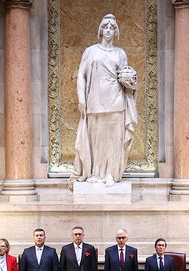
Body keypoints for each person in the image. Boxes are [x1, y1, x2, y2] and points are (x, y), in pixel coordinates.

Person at [72, 13, 137, 187]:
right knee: (96, 139)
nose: (108, 30)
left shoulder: (120, 53)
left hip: (116, 100)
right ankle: (95, 172)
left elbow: (125, 76)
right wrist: (81, 99)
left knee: (113, 139)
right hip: (94, 100)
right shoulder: (91, 51)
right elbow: (81, 75)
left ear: (116, 32)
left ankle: (110, 173)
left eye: (112, 28)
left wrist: (131, 81)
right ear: (101, 30)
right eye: (106, 27)